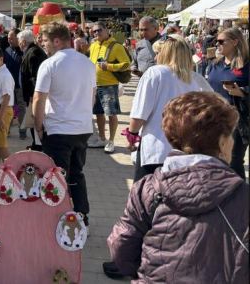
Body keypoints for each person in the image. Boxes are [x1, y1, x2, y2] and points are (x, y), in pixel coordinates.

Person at [101, 36, 215, 278]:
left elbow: (139, 113)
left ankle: (128, 262)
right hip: (188, 155)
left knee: (143, 211)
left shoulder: (155, 74)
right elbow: (217, 108)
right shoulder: (197, 80)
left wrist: (131, 134)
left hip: (156, 151)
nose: (155, 56)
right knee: (176, 212)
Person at [106, 92, 249, 283]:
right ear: (222, 142)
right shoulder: (242, 195)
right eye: (230, 135)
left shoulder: (148, 188)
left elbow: (121, 245)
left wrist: (147, 272)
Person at [33, 22, 96, 224]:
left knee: (56, 176)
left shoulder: (50, 64)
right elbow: (92, 96)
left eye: (45, 41)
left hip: (58, 128)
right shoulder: (87, 63)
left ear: (57, 40)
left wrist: (38, 125)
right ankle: (81, 213)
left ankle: (56, 217)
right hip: (82, 127)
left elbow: (39, 99)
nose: (44, 45)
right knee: (77, 172)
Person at [207, 27, 249, 180]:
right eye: (215, 41)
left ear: (235, 42)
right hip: (213, 118)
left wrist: (243, 91)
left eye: (221, 41)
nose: (217, 44)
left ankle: (240, 197)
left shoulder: (246, 65)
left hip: (238, 120)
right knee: (214, 160)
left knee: (233, 161)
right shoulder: (215, 64)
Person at [88, 21, 131, 153]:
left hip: (109, 85)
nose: (96, 33)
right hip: (95, 85)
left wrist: (109, 66)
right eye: (94, 31)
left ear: (106, 30)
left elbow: (126, 64)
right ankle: (102, 138)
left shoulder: (116, 46)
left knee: (111, 114)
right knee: (99, 114)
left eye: (99, 30)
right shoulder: (94, 45)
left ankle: (111, 141)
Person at [19, 29, 48, 150]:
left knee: (35, 120)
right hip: (31, 95)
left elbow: (35, 77)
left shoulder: (34, 53)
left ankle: (38, 147)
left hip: (33, 96)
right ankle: (36, 144)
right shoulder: (31, 51)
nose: (19, 43)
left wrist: (33, 95)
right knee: (32, 121)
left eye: (20, 41)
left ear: (24, 42)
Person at [4, 29, 26, 139]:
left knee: (22, 107)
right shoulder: (6, 50)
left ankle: (22, 130)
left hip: (20, 85)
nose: (9, 40)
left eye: (11, 38)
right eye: (8, 37)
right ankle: (7, 130)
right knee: (9, 107)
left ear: (18, 38)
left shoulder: (23, 51)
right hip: (8, 86)